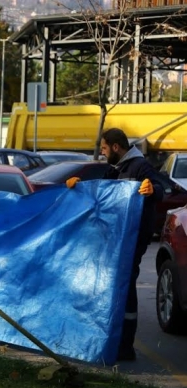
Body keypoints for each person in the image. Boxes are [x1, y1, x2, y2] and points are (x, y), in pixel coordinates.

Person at [66, 128, 162, 361]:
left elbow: (159, 188)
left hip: (133, 238)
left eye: (105, 148)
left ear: (116, 147)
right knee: (114, 286)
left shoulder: (140, 167)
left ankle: (125, 347)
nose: (102, 151)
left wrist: (152, 190)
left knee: (125, 287)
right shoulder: (115, 169)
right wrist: (79, 186)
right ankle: (112, 339)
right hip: (115, 238)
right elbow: (101, 192)